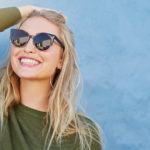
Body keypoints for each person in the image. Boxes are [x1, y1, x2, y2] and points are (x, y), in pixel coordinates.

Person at [0, 6, 103, 150]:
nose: (28, 48)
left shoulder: (83, 135)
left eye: (43, 41)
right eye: (20, 37)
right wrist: (26, 10)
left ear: (61, 59)